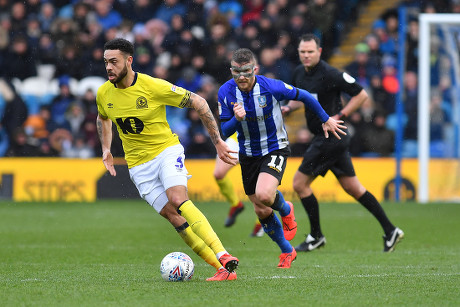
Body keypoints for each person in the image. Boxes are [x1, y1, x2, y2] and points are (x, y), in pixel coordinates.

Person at [96, 38, 239, 281]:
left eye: (114, 62)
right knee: (173, 216)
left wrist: (218, 142)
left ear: (129, 61)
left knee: (177, 198)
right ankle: (222, 270)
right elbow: (103, 118)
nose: (108, 67)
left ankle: (223, 254)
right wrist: (106, 149)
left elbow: (199, 102)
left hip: (165, 151)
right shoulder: (104, 92)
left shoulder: (152, 86)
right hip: (139, 166)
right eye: (106, 62)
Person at [218, 48, 346, 268]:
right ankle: (287, 251)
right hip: (248, 154)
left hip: (274, 148)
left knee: (265, 195)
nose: (241, 77)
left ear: (255, 70)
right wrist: (237, 119)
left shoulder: (270, 86)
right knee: (260, 208)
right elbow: (225, 131)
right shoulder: (225, 92)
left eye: (246, 71)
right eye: (237, 72)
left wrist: (325, 118)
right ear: (231, 71)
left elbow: (304, 95)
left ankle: (286, 209)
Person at [282, 34, 404, 253]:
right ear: (299, 52)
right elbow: (301, 98)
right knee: (353, 188)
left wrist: (340, 114)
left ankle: (316, 236)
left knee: (300, 183)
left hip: (330, 138)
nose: (306, 55)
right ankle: (390, 230)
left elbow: (361, 94)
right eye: (303, 52)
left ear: (319, 52)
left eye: (310, 51)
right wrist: (289, 108)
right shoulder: (300, 73)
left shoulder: (331, 73)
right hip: (328, 139)